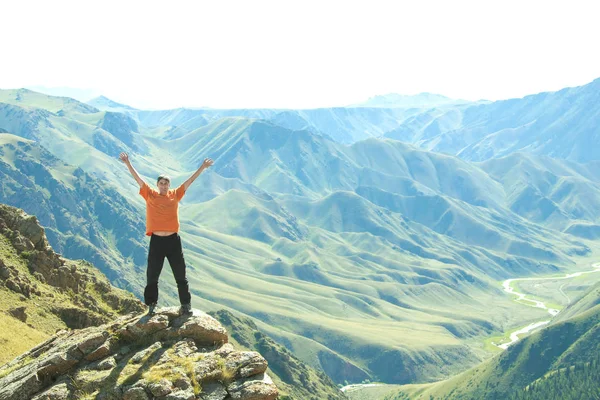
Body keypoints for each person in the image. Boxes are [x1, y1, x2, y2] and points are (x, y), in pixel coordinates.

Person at [119, 152, 214, 315]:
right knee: (152, 274)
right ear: (157, 184)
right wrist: (127, 163)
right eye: (161, 183)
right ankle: (151, 305)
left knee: (180, 274)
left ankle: (185, 305)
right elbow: (137, 179)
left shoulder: (175, 195)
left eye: (166, 183)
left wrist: (202, 168)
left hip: (173, 241)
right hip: (156, 241)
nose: (164, 186)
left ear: (169, 185)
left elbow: (189, 181)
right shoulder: (150, 194)